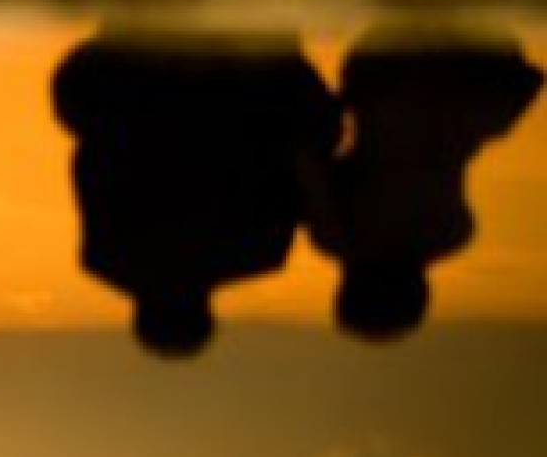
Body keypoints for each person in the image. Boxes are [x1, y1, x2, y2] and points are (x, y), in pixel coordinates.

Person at [52, 30, 342, 356]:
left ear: (205, 313)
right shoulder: (104, 261)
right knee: (77, 102)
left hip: (240, 87)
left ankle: (269, 23)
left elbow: (299, 169)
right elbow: (87, 165)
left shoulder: (261, 254)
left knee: (319, 132)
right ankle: (124, 22)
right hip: (146, 88)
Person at [309, 27, 542, 341]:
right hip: (391, 83)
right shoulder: (339, 238)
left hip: (481, 89)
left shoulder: (452, 237)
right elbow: (307, 163)